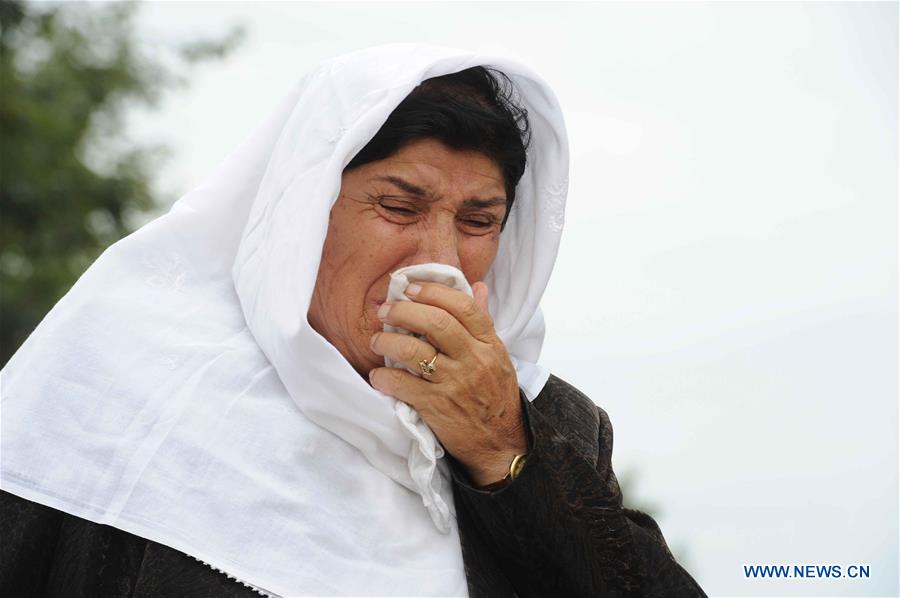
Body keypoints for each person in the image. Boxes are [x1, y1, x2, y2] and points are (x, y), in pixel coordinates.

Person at [0, 44, 706, 597]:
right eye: (398, 208)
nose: (440, 258)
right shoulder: (125, 383)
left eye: (478, 221)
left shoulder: (544, 422)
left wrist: (502, 452)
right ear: (303, 215)